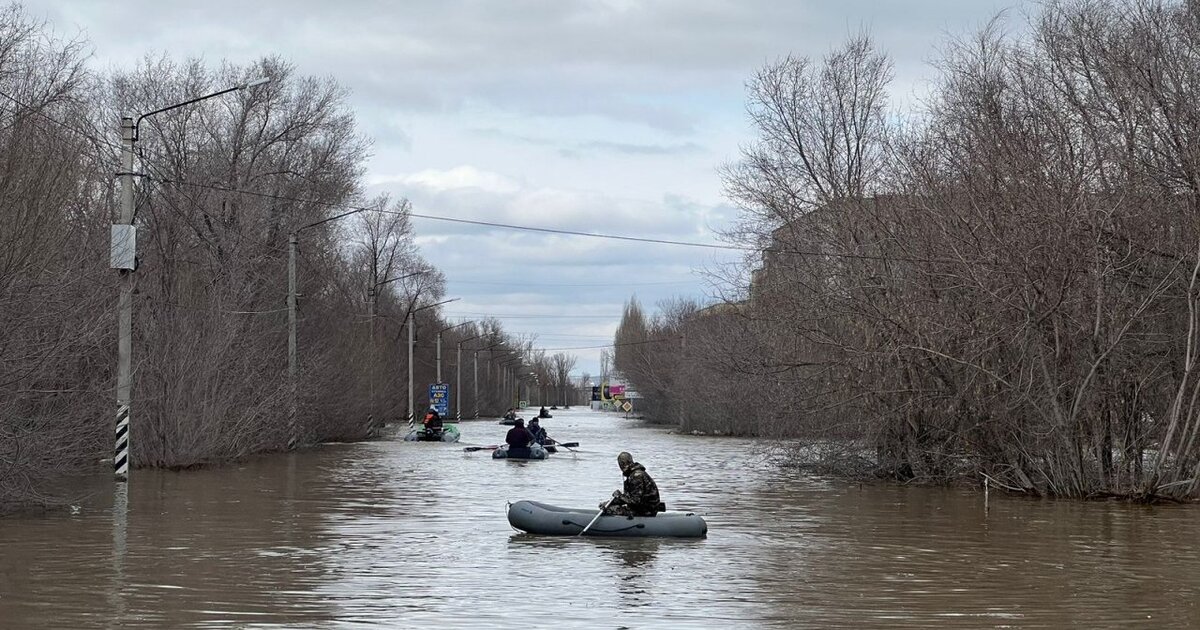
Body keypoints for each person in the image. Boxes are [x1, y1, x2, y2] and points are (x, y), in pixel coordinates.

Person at [601, 452, 663, 517]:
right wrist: (609, 502)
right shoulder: (632, 475)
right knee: (609, 506)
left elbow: (635, 501)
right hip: (642, 507)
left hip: (646, 511)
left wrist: (619, 496)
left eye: (621, 464)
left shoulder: (637, 476)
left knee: (609, 510)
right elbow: (628, 497)